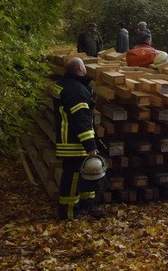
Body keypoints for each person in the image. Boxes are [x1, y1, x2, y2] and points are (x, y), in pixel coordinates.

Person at [54, 57, 104, 220]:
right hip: (74, 143)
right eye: (84, 66)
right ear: (80, 69)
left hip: (68, 140)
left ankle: (87, 205)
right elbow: (81, 120)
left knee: (87, 172)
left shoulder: (63, 84)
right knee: (73, 177)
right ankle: (68, 212)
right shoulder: (77, 91)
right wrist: (90, 145)